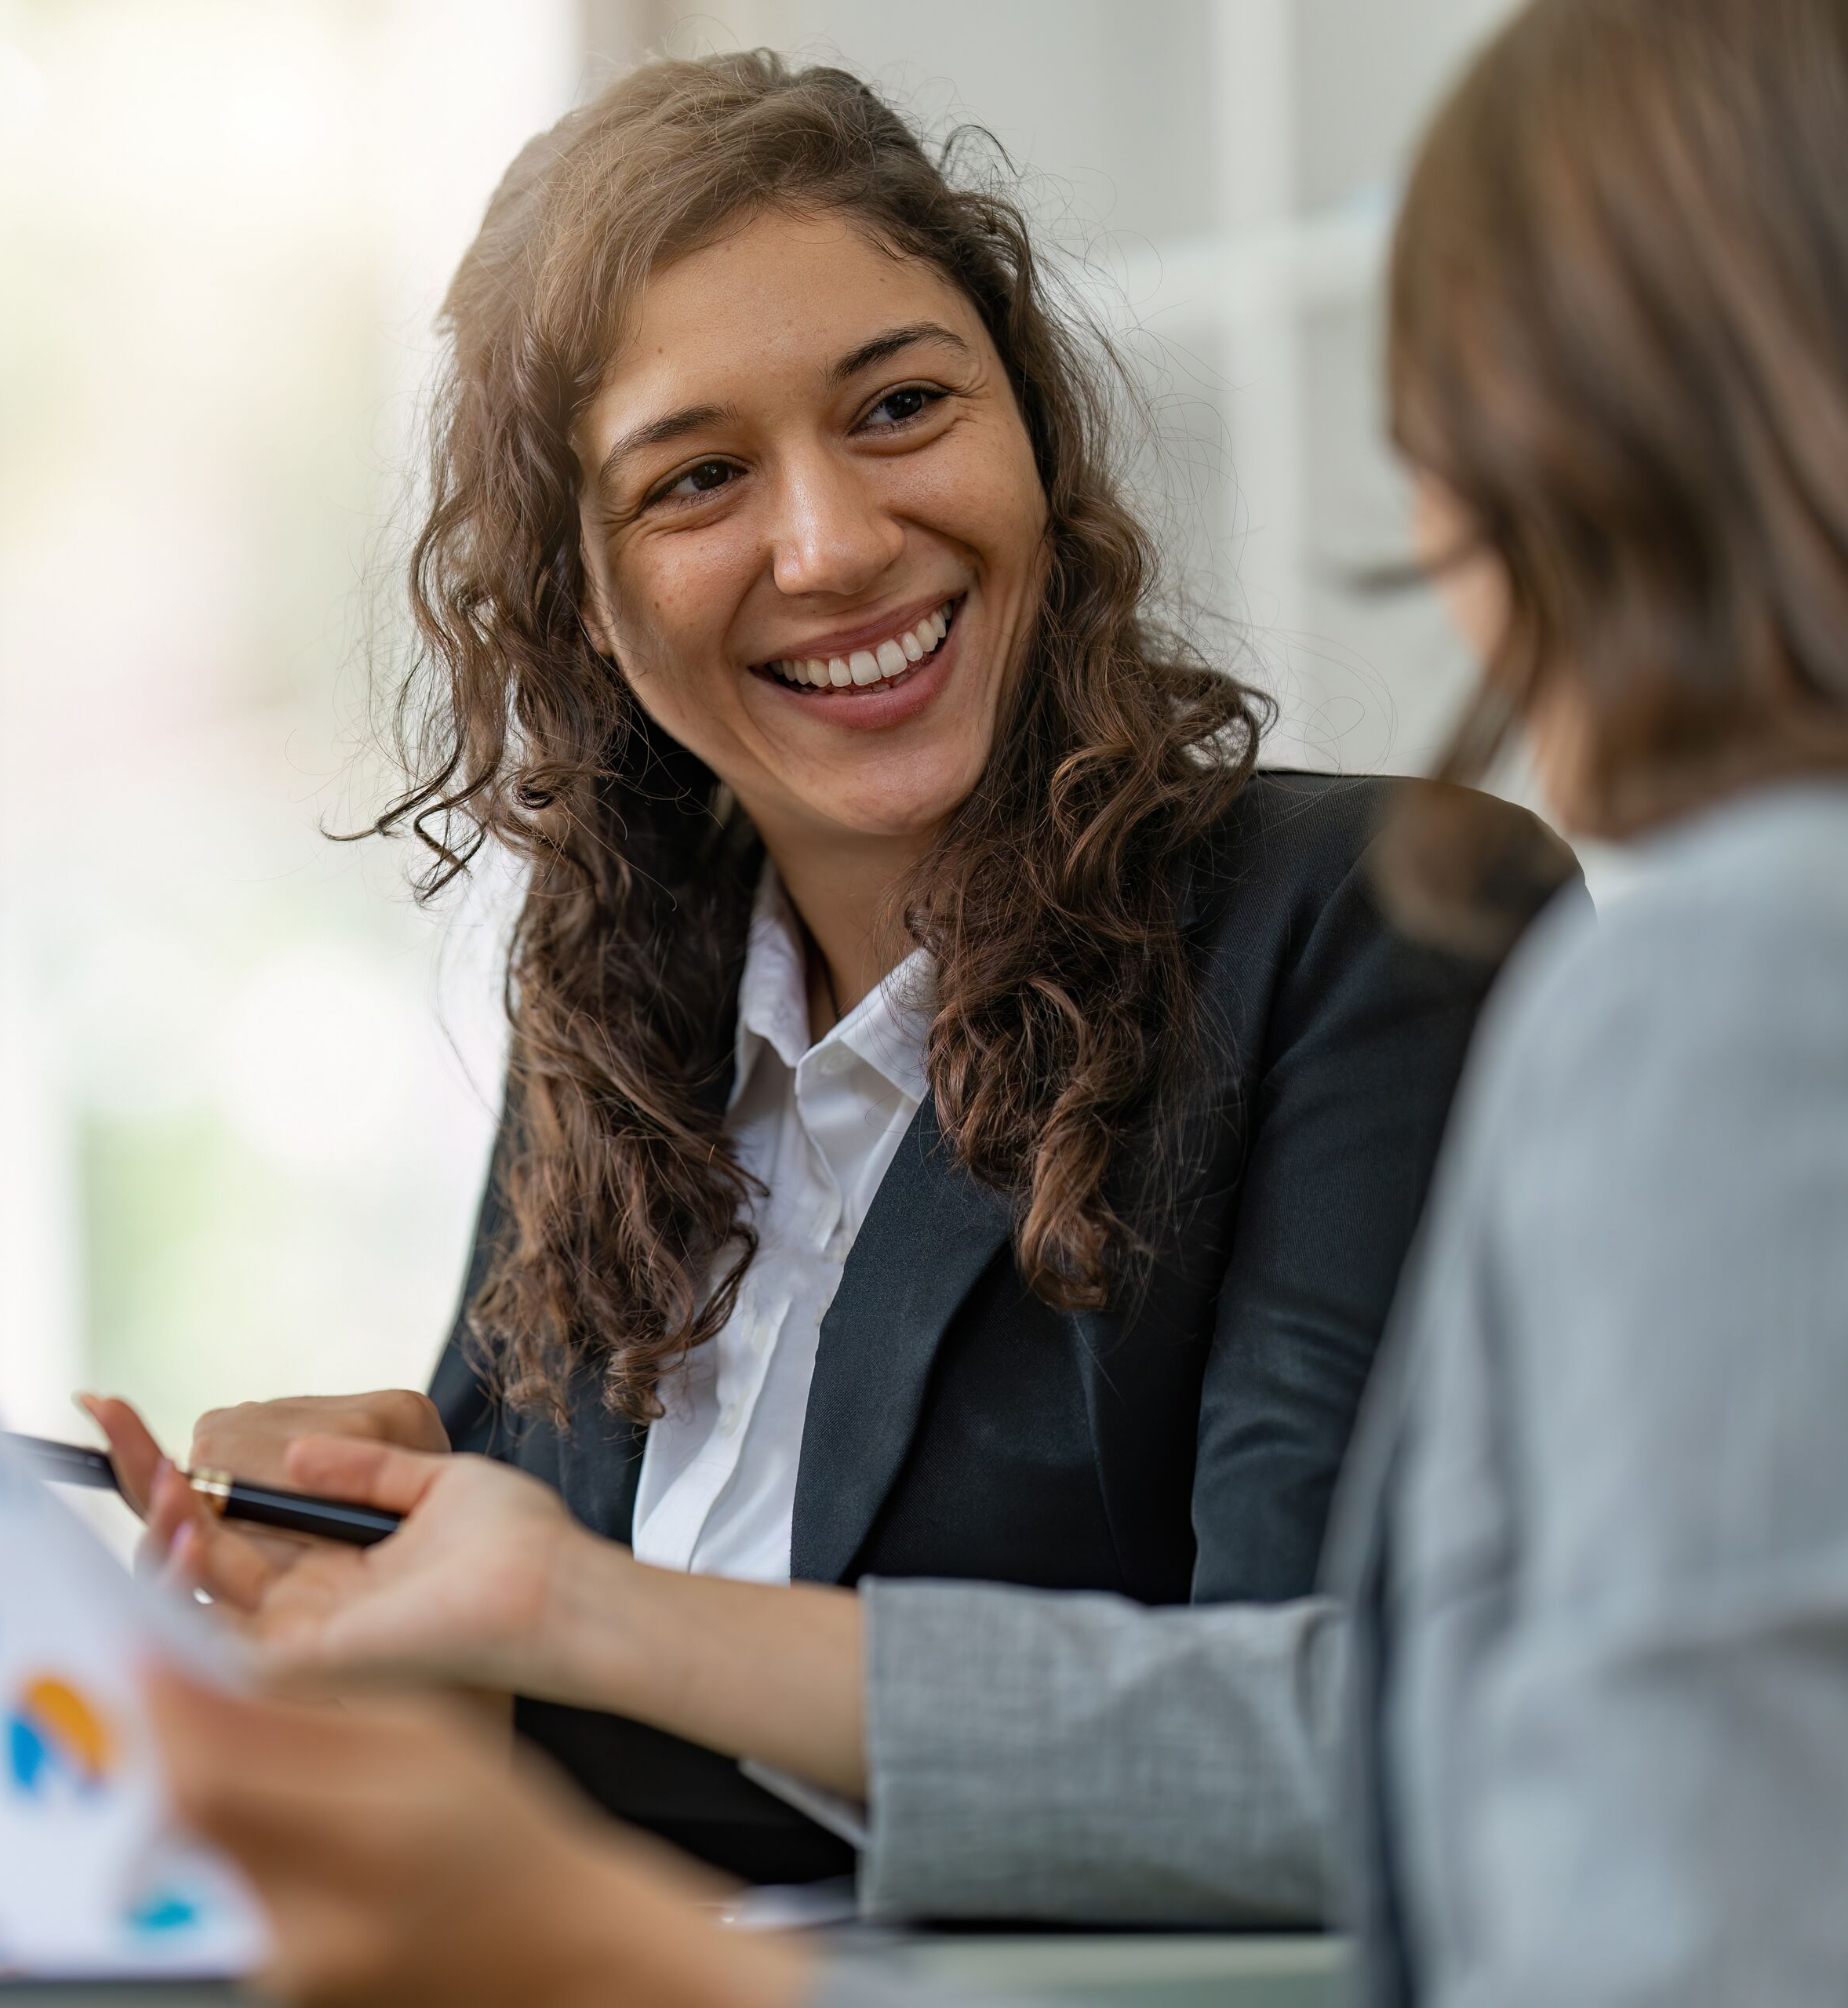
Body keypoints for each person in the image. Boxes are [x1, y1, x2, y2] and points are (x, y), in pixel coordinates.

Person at [146, 0, 1848, 1999]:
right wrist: (325, 1604)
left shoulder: (1376, 929)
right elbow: (529, 1766)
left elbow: (1358, 1743)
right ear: (573, 599)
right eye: (695, 479)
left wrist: (566, 1606)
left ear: (1036, 438)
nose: (833, 541)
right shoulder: (612, 1026)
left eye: (898, 409)